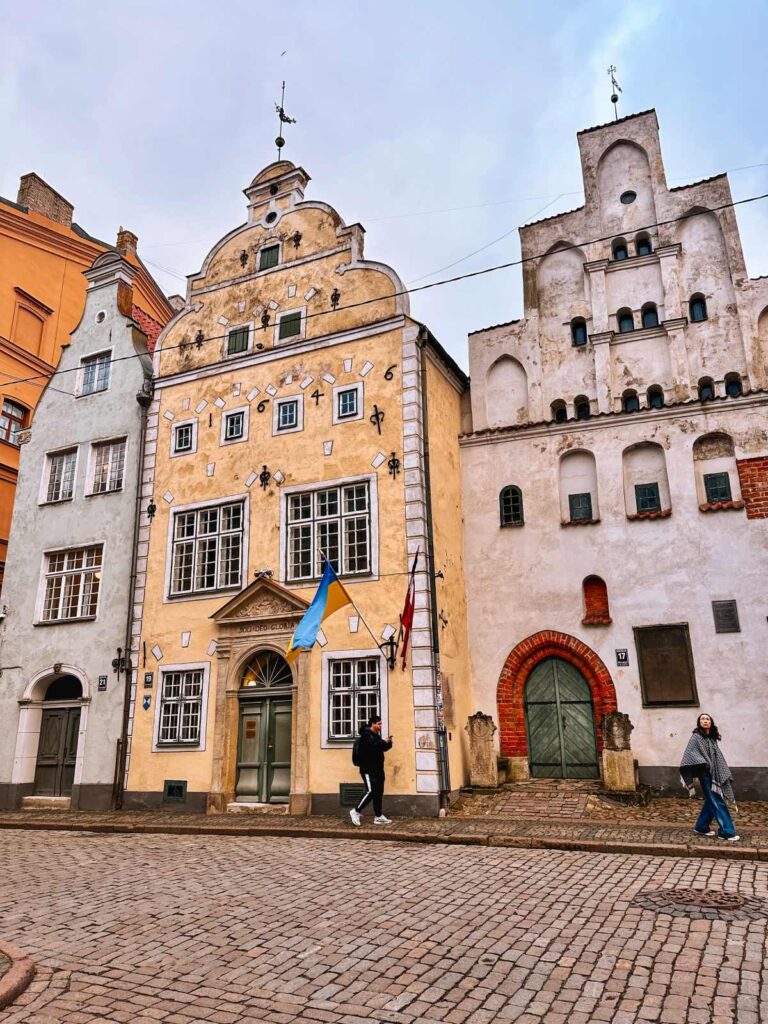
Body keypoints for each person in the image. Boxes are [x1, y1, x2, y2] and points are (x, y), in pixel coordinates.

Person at [680, 713, 740, 841]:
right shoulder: (696, 737)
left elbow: (717, 756)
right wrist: (705, 764)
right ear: (699, 722)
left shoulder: (711, 738)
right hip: (705, 773)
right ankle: (727, 832)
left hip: (714, 773)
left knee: (711, 800)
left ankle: (701, 827)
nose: (705, 721)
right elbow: (690, 754)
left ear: (711, 722)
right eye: (702, 719)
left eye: (707, 719)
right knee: (717, 800)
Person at [349, 714, 393, 827]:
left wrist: (388, 743)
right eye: (379, 724)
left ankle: (378, 816)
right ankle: (356, 811)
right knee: (371, 791)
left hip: (378, 769)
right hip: (368, 769)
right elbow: (372, 748)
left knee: (378, 793)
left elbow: (380, 748)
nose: (381, 726)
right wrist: (383, 742)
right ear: (372, 724)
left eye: (381, 723)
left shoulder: (375, 735)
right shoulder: (366, 735)